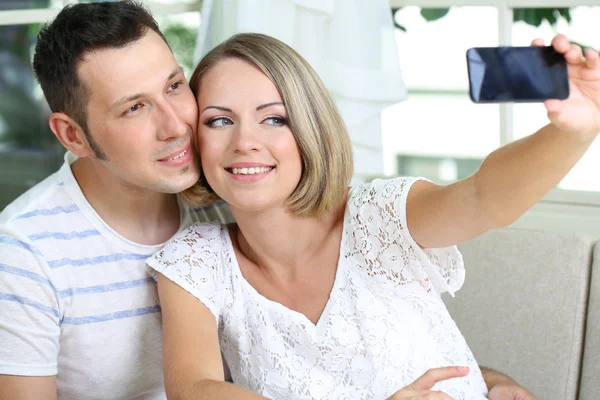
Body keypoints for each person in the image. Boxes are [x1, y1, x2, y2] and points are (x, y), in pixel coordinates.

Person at [146, 32, 597, 399]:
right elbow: (194, 388)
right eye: (219, 121)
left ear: (309, 130)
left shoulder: (378, 216)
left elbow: (483, 197)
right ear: (195, 142)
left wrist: (571, 134)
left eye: (275, 119)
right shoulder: (197, 259)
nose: (245, 141)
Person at [0, 1, 230, 399]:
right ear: (73, 136)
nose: (176, 126)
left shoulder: (228, 197)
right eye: (135, 108)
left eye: (174, 86)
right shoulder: (23, 253)